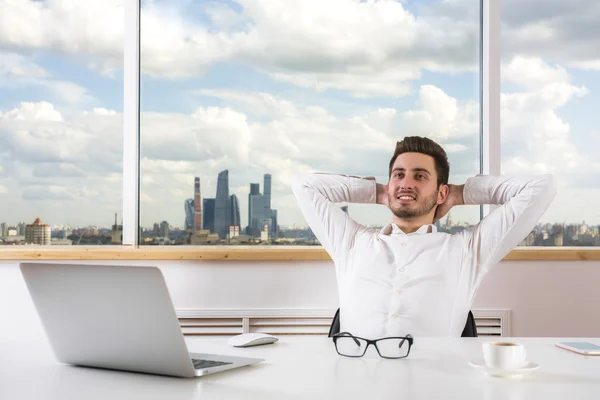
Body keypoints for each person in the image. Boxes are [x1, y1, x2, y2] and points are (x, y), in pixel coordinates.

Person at [291, 136, 557, 338]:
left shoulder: (466, 250)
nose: (406, 183)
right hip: (356, 384)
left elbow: (541, 187)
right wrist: (379, 192)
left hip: (434, 388)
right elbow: (304, 184)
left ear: (440, 193)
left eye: (420, 176)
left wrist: (459, 194)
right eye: (398, 175)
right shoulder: (351, 242)